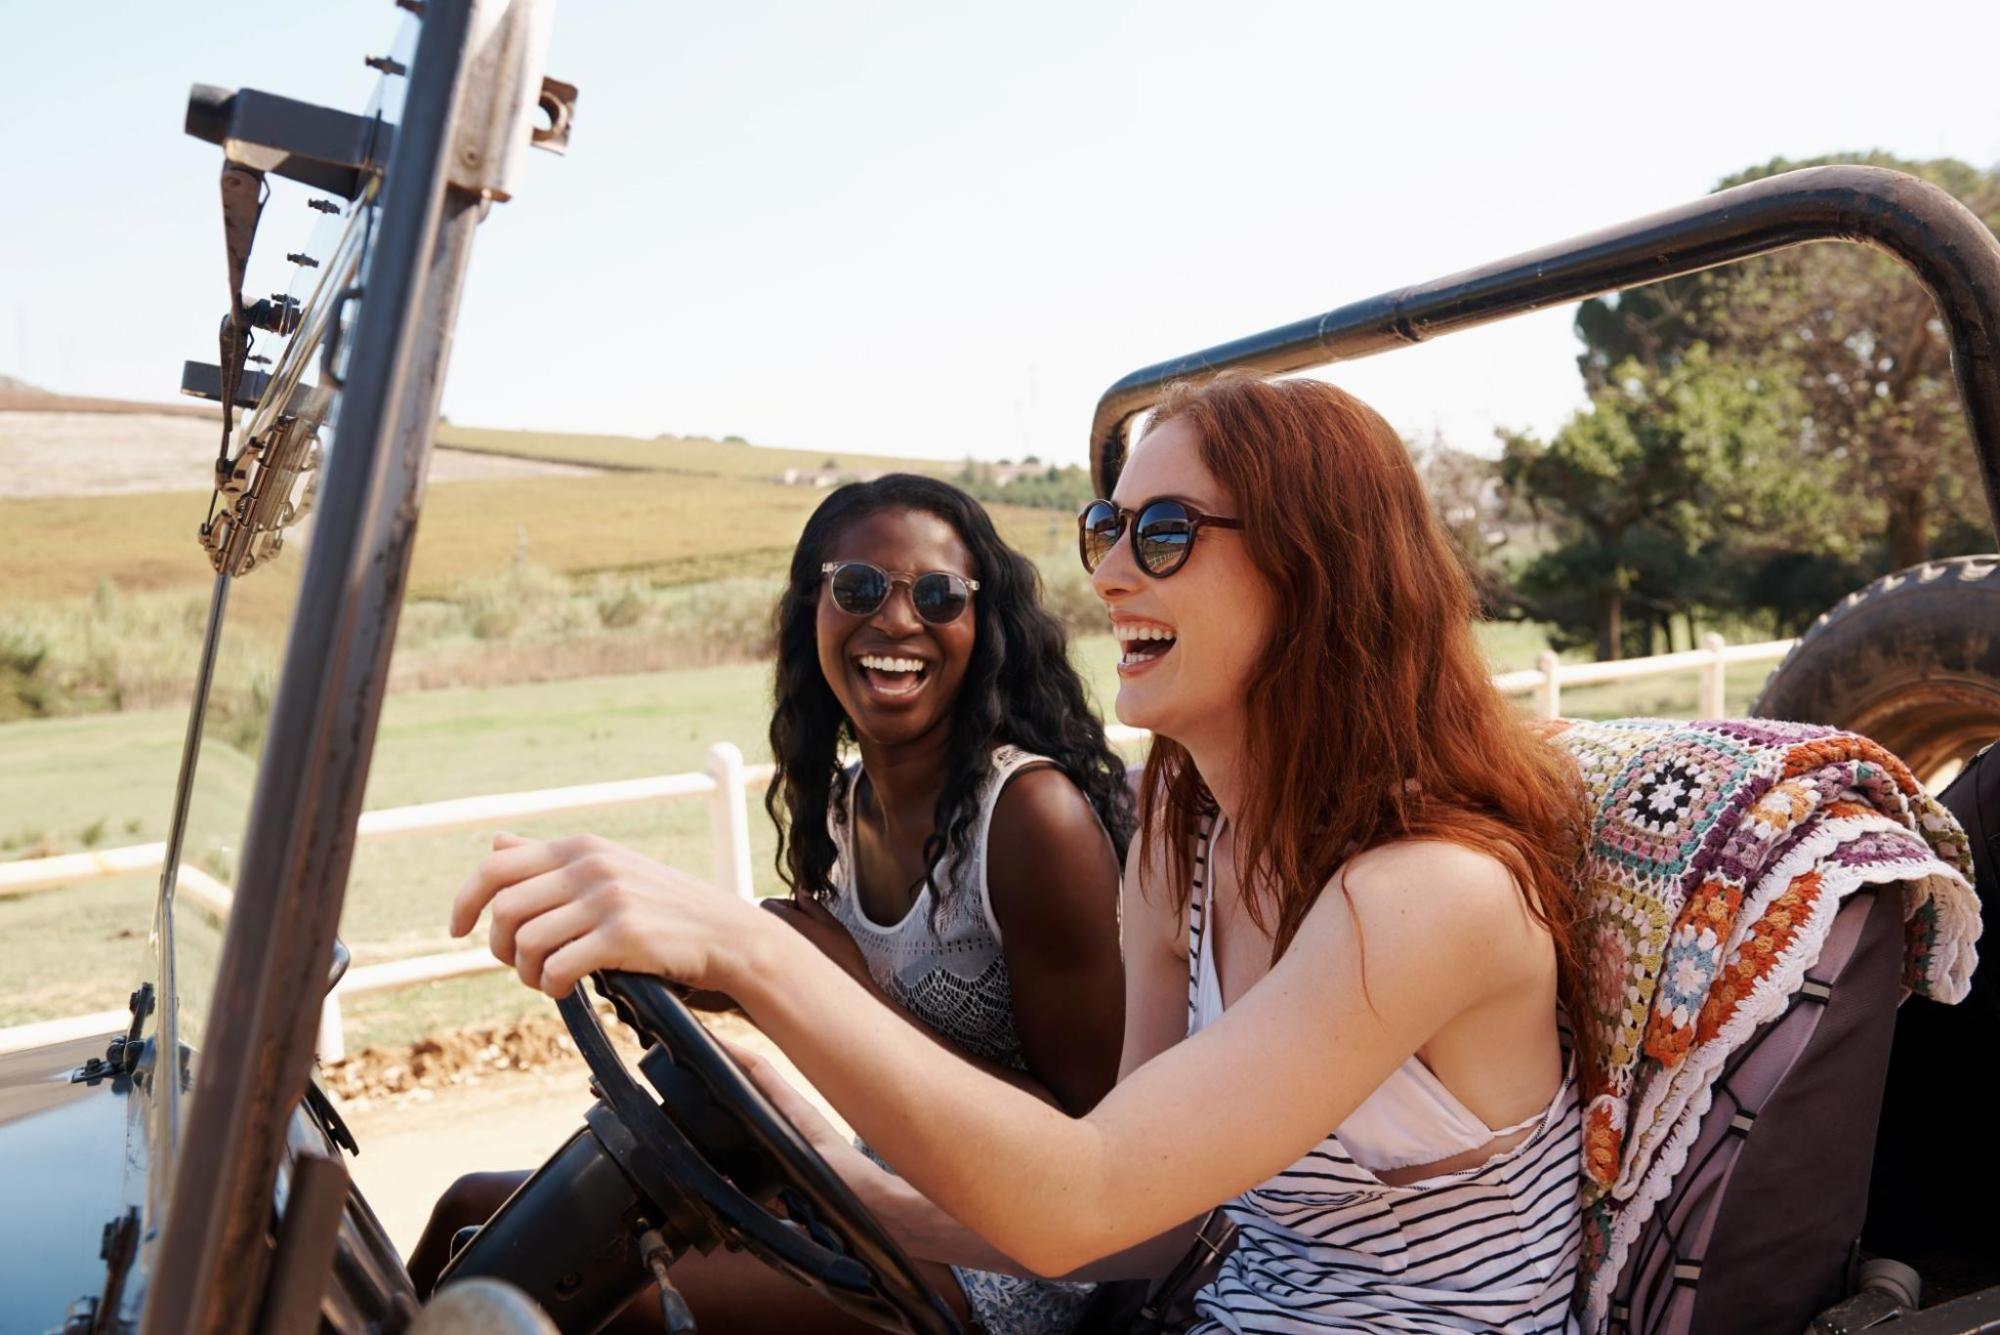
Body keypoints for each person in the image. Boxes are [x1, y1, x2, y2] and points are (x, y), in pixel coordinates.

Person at [453, 377, 1592, 1332]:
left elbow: (1083, 1205)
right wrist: (812, 1163)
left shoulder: (1429, 895)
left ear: (1315, 568)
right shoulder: (1184, 848)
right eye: (1109, 529)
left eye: (1164, 535)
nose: (1108, 577)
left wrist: (750, 950)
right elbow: (1146, 1221)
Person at [412, 475, 1135, 1334]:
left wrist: (809, 977)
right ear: (814, 611)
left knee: (594, 1299)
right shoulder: (848, 802)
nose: (898, 620)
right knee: (474, 1218)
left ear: (984, 627)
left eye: (938, 594)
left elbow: (1092, 1155)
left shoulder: (1030, 818)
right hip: (872, 1204)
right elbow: (812, 970)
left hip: (1010, 1269)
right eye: (860, 587)